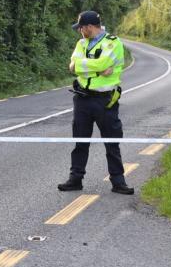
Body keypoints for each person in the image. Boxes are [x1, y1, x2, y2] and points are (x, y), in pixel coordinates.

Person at [57, 11, 134, 195]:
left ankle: (118, 181)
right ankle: (75, 179)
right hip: (82, 98)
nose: (79, 31)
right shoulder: (81, 43)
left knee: (111, 141)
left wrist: (85, 67)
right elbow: (73, 66)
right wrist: (97, 70)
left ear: (90, 27)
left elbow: (101, 63)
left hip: (105, 100)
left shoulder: (113, 43)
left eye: (81, 28)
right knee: (80, 141)